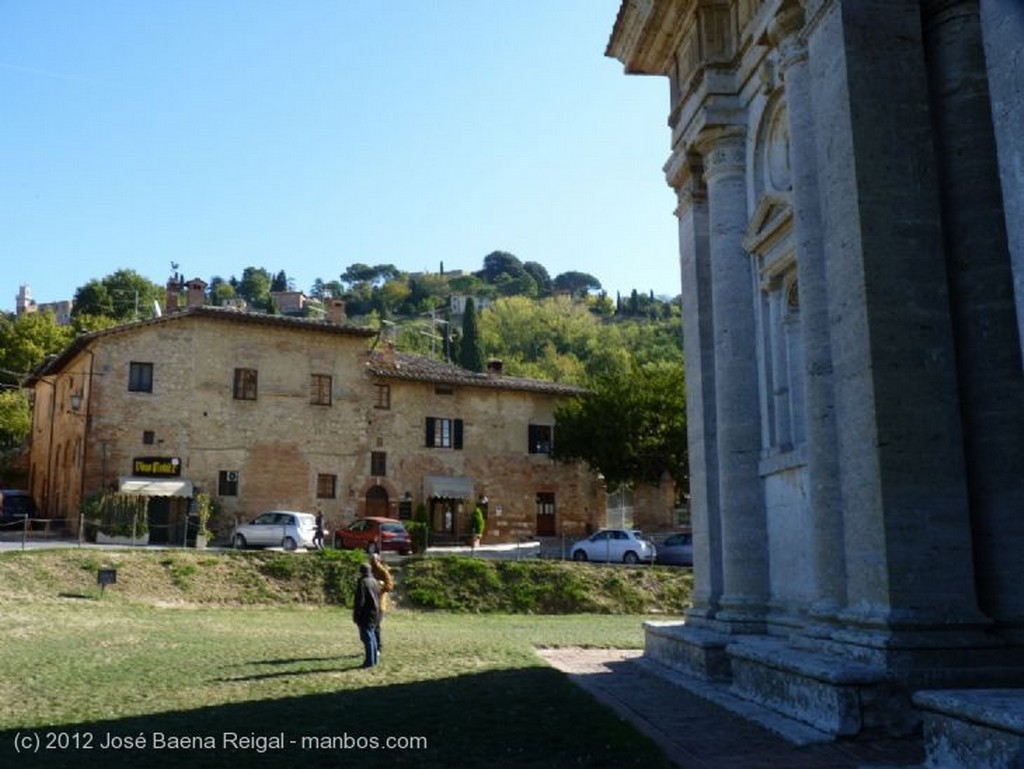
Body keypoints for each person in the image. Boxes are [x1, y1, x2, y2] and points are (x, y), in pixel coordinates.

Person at [352, 563, 381, 668]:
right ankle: (374, 660)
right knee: (372, 636)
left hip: (366, 613)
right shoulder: (375, 581)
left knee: (367, 637)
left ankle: (369, 662)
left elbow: (360, 600)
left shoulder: (363, 582)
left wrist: (356, 613)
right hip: (375, 612)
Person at [369, 552, 393, 654]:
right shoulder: (370, 570)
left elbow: (389, 586)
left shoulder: (383, 571)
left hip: (380, 603)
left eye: (374, 561)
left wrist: (380, 587)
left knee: (376, 625)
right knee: (371, 625)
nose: (372, 563)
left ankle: (378, 647)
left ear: (378, 560)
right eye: (371, 561)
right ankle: (373, 646)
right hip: (371, 603)